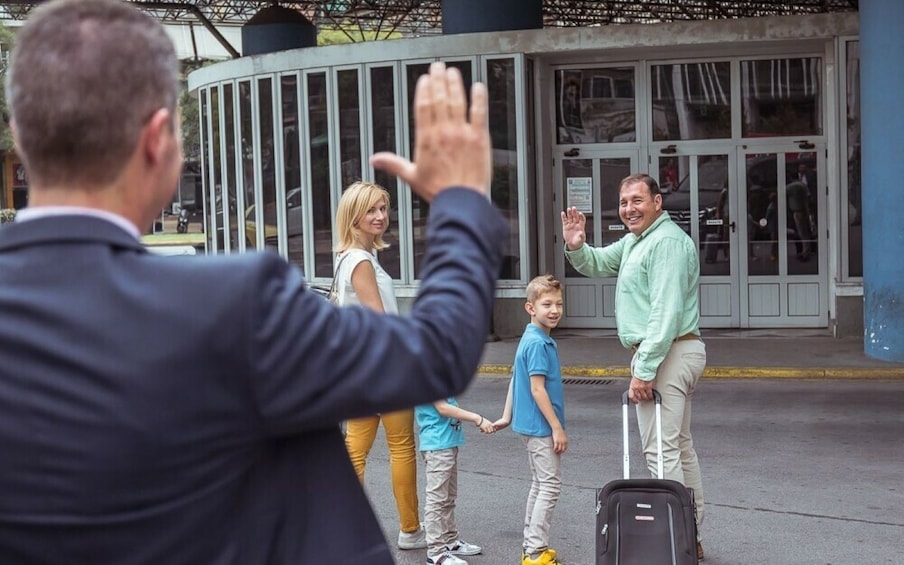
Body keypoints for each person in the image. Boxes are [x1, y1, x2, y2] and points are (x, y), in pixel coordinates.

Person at [0, 1, 505, 563]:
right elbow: (436, 354)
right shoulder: (234, 304)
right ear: (159, 139)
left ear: (21, 135)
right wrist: (461, 202)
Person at [561, 173, 707, 562]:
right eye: (624, 202)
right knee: (679, 447)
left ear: (658, 202)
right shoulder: (636, 242)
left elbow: (665, 314)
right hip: (671, 351)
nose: (629, 209)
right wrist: (576, 246)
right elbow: (597, 263)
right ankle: (689, 536)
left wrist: (644, 369)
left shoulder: (666, 243)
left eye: (637, 200)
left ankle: (675, 541)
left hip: (667, 353)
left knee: (661, 451)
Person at [334, 180, 425, 549]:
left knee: (355, 451)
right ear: (353, 216)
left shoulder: (348, 257)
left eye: (383, 209)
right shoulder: (360, 261)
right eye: (370, 210)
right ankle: (410, 529)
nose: (380, 216)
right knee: (401, 446)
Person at [494, 275, 567, 565]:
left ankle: (531, 547)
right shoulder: (537, 343)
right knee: (549, 486)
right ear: (530, 308)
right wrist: (557, 428)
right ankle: (535, 552)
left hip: (531, 425)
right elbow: (537, 389)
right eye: (547, 304)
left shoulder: (533, 337)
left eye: (558, 304)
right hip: (541, 427)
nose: (554, 310)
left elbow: (516, 378)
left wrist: (506, 415)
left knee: (540, 484)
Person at [414, 397, 495, 565]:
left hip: (445, 443)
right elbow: (443, 408)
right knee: (437, 501)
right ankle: (436, 553)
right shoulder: (432, 379)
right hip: (438, 446)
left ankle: (450, 540)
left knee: (448, 498)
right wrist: (477, 418)